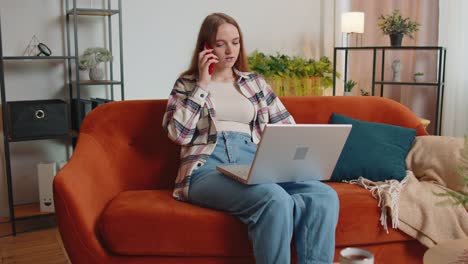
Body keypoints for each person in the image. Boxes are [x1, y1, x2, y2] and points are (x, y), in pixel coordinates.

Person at [162, 12, 339, 264]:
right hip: (207, 167)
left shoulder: (254, 83)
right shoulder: (187, 84)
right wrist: (203, 84)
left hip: (254, 162)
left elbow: (287, 127)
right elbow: (177, 134)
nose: (229, 50)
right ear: (206, 46)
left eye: (235, 42)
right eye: (220, 43)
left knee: (324, 196)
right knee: (274, 198)